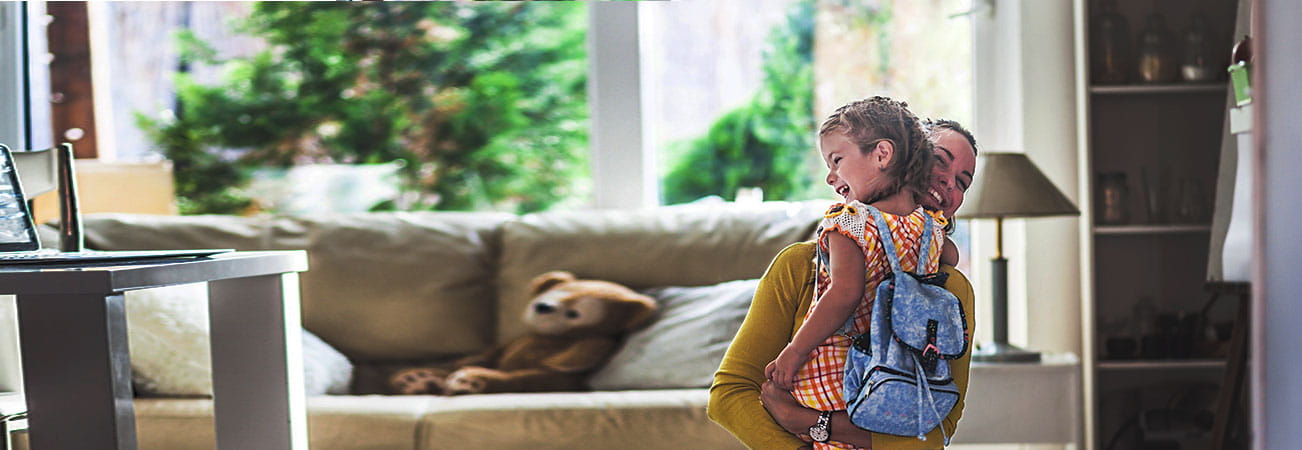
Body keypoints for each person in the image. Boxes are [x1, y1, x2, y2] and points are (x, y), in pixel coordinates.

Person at [708, 117, 979, 449]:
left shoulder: (950, 290)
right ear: (897, 155)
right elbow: (730, 393)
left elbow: (939, 429)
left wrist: (811, 422)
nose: (948, 182)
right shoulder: (800, 266)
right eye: (938, 160)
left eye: (962, 182)